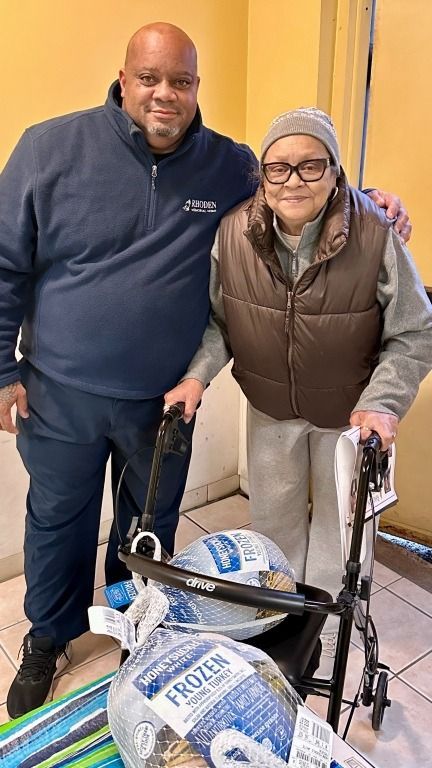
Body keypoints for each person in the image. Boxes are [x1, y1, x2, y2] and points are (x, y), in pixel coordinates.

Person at [0, 21, 410, 717]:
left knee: (148, 525)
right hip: (59, 391)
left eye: (182, 81)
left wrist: (372, 200)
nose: (166, 94)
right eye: (150, 78)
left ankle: (142, 631)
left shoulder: (230, 165)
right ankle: (49, 637)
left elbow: (300, 188)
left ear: (197, 89)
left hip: (165, 400)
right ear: (124, 78)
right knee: (57, 520)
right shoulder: (49, 148)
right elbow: (6, 263)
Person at [165, 107, 432, 678]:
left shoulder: (376, 233)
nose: (293, 180)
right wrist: (196, 376)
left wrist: (383, 402)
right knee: (275, 529)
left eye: (311, 166)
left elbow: (415, 330)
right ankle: (278, 627)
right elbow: (219, 320)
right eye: (278, 167)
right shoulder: (234, 232)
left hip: (350, 416)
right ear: (262, 173)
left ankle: (328, 639)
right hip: (272, 410)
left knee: (340, 537)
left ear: (335, 171)